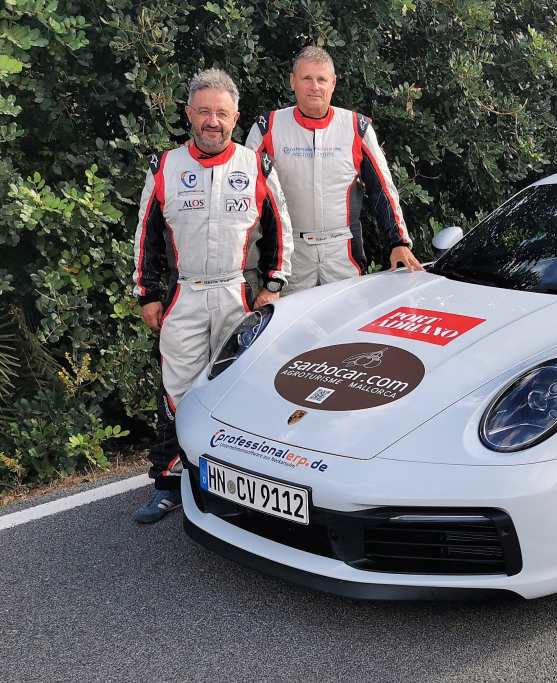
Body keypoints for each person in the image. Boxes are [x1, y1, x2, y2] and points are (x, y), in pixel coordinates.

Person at [132, 68, 293, 523]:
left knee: (237, 388)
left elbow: (280, 229)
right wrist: (146, 293)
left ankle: (239, 485)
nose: (212, 121)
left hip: (236, 294)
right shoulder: (165, 166)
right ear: (188, 114)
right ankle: (167, 482)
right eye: (203, 111)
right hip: (182, 295)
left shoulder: (255, 164)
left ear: (235, 117)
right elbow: (145, 235)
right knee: (176, 390)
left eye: (221, 113)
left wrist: (274, 285)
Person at [245, 46, 422, 293]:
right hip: (290, 253)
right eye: (306, 78)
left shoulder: (356, 127)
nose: (314, 86)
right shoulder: (267, 127)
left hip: (343, 253)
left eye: (321, 79)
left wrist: (398, 242)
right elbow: (242, 189)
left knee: (344, 324)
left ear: (333, 83)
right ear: (292, 81)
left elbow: (383, 188)